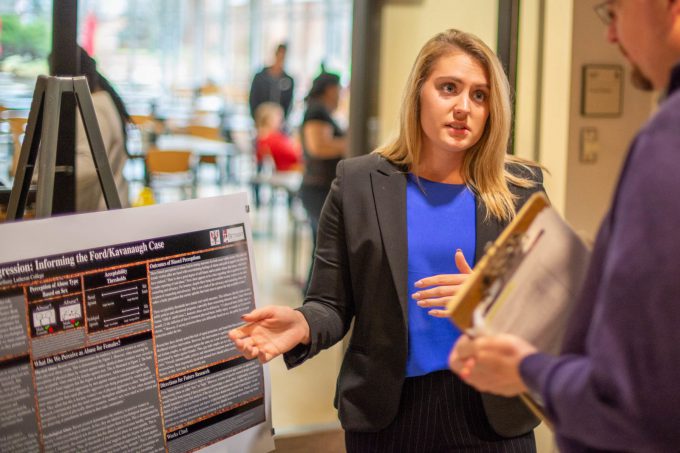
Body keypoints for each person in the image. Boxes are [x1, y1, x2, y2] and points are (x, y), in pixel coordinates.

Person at [230, 29, 545, 452]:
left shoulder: (520, 190)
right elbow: (331, 302)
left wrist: (488, 299)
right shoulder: (358, 183)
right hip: (388, 416)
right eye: (448, 88)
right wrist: (303, 323)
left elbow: (548, 309)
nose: (462, 108)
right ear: (418, 93)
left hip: (492, 415)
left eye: (479, 96)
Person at [449, 2, 680, 452]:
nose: (611, 36)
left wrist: (529, 370)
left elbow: (634, 407)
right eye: (448, 88)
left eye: (613, 12)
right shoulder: (362, 181)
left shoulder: (664, 145)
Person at [297, 70, 347, 291]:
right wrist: (348, 142)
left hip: (317, 187)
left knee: (320, 247)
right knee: (323, 248)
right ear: (330, 90)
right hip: (317, 188)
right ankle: (313, 297)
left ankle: (312, 296)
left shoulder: (319, 110)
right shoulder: (317, 111)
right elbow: (317, 147)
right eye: (338, 91)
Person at [74, 47, 131, 212]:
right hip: (110, 207)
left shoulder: (93, 108)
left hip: (101, 212)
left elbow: (89, 165)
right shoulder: (102, 101)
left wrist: (40, 177)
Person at [249, 43, 295, 122]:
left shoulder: (288, 80)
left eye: (283, 56)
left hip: (278, 121)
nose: (281, 58)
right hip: (262, 118)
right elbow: (253, 98)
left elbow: (288, 103)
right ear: (275, 54)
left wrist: (282, 120)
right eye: (280, 54)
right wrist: (256, 118)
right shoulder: (260, 77)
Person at [253, 102, 302, 172]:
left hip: (285, 171)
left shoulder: (261, 137)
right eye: (279, 117)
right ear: (269, 119)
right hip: (288, 171)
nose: (282, 121)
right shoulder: (272, 138)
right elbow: (295, 156)